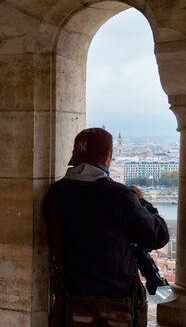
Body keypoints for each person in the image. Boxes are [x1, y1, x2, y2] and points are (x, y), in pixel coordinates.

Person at [44, 128, 170, 327]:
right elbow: (158, 236)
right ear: (107, 158)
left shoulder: (55, 194)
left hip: (71, 299)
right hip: (115, 303)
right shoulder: (120, 196)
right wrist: (142, 202)